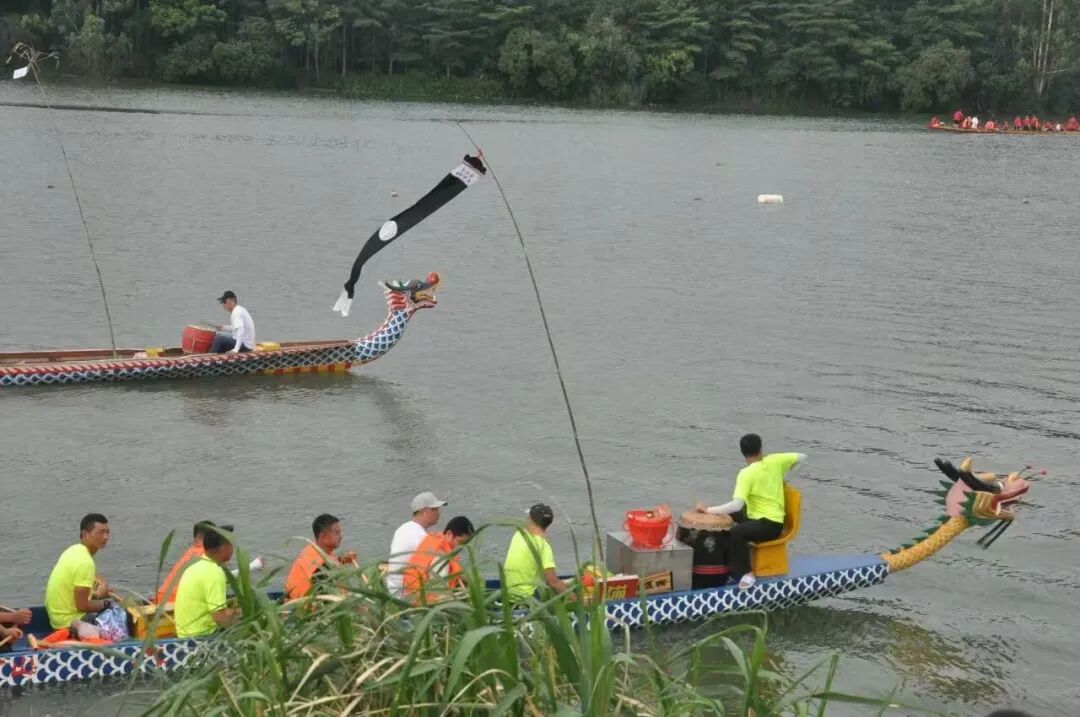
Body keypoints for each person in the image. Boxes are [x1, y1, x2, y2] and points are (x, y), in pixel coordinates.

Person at [697, 434, 806, 590]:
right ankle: (727, 563)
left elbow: (737, 505)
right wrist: (785, 479)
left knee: (736, 532)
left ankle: (747, 574)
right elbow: (802, 457)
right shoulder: (775, 460)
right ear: (761, 448)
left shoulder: (746, 474)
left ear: (742, 452)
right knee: (725, 515)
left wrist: (708, 510)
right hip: (759, 518)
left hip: (771, 524)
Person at [44, 513, 112, 639]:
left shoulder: (73, 550)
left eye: (107, 532)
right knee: (116, 612)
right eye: (100, 532)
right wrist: (107, 603)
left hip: (56, 620)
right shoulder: (85, 563)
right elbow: (82, 606)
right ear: (85, 534)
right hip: (68, 624)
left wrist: (99, 596)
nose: (105, 537)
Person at [174, 527, 238, 638]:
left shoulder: (194, 567)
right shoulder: (215, 572)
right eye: (231, 544)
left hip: (184, 635)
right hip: (201, 637)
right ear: (223, 548)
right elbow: (219, 617)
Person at [503, 503, 570, 603]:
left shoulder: (519, 534)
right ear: (549, 524)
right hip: (529, 598)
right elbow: (552, 582)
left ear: (530, 519)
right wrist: (576, 600)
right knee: (557, 588)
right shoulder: (543, 545)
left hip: (508, 594)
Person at [386, 492, 447, 597]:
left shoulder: (403, 528)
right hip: (406, 594)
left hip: (392, 588)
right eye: (434, 509)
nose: (438, 513)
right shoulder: (420, 537)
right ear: (422, 512)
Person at [285, 513, 359, 600]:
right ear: (323, 537)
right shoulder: (317, 568)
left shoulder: (313, 549)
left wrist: (341, 560)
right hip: (308, 607)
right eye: (337, 533)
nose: (341, 536)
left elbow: (328, 566)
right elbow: (326, 599)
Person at [402, 516, 475, 603]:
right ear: (449, 534)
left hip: (411, 597)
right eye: (460, 542)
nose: (461, 548)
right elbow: (440, 592)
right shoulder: (440, 557)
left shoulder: (434, 543)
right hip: (424, 604)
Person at [154, 520, 215, 605]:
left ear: (196, 537)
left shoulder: (191, 551)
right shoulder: (207, 554)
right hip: (175, 602)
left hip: (160, 598)